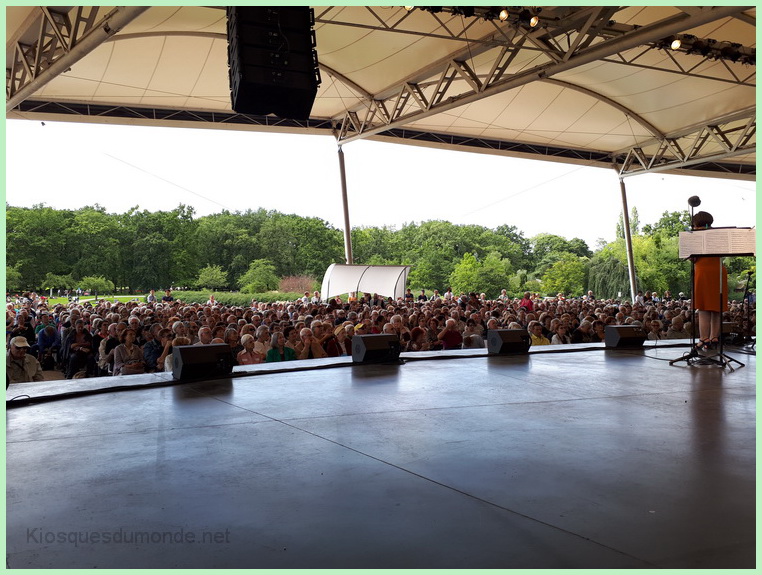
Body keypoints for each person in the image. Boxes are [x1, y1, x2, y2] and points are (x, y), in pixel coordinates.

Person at [691, 211, 728, 352]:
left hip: (703, 271)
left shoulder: (694, 235)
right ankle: (714, 338)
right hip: (718, 270)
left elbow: (692, 258)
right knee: (716, 307)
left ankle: (703, 338)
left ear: (695, 222)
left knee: (704, 307)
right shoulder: (718, 234)